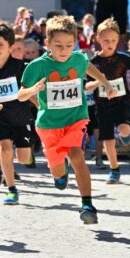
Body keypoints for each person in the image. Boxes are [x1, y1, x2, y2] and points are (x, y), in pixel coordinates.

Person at [19, 15, 116, 225]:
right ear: (47, 44)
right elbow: (20, 94)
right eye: (58, 45)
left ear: (75, 43)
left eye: (69, 45)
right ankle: (59, 173)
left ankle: (87, 204)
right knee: (58, 170)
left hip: (75, 119)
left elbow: (89, 67)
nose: (64, 50)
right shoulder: (37, 66)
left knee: (77, 155)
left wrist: (105, 83)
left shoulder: (78, 58)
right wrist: (33, 91)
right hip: (48, 126)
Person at [0, 21, 33, 205]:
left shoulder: (20, 67)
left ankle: (19, 161)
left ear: (10, 47)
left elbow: (29, 91)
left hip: (21, 118)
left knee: (24, 158)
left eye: (1, 44)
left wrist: (43, 107)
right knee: (4, 148)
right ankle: (11, 190)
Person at [89, 17, 130, 183]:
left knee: (124, 129)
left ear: (118, 41)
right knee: (108, 141)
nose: (110, 43)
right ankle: (114, 169)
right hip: (102, 106)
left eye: (113, 40)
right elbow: (85, 86)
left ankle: (126, 135)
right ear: (98, 39)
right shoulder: (93, 63)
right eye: (106, 40)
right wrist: (99, 82)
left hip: (121, 102)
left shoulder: (122, 58)